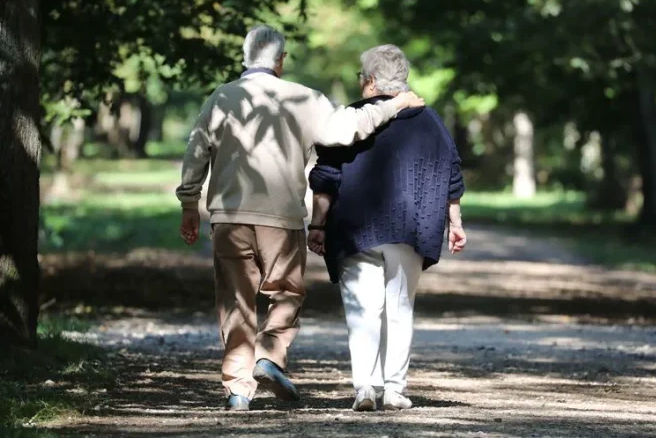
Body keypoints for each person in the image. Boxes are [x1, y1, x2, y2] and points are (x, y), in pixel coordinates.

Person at [175, 26, 425, 411]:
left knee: (235, 300)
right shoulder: (303, 98)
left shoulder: (221, 97)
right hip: (282, 218)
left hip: (229, 217)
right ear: (281, 60)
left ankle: (238, 389)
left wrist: (189, 203)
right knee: (287, 293)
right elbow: (346, 130)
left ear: (245, 56)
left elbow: (197, 151)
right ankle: (269, 356)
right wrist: (394, 105)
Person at [307, 44, 467, 412]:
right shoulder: (430, 120)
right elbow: (452, 172)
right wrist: (455, 222)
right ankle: (394, 389)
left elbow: (326, 176)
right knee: (399, 307)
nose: (360, 83)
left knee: (363, 307)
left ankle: (365, 386)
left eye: (361, 78)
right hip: (410, 229)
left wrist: (318, 225)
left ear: (372, 81)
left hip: (354, 227)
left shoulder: (350, 119)